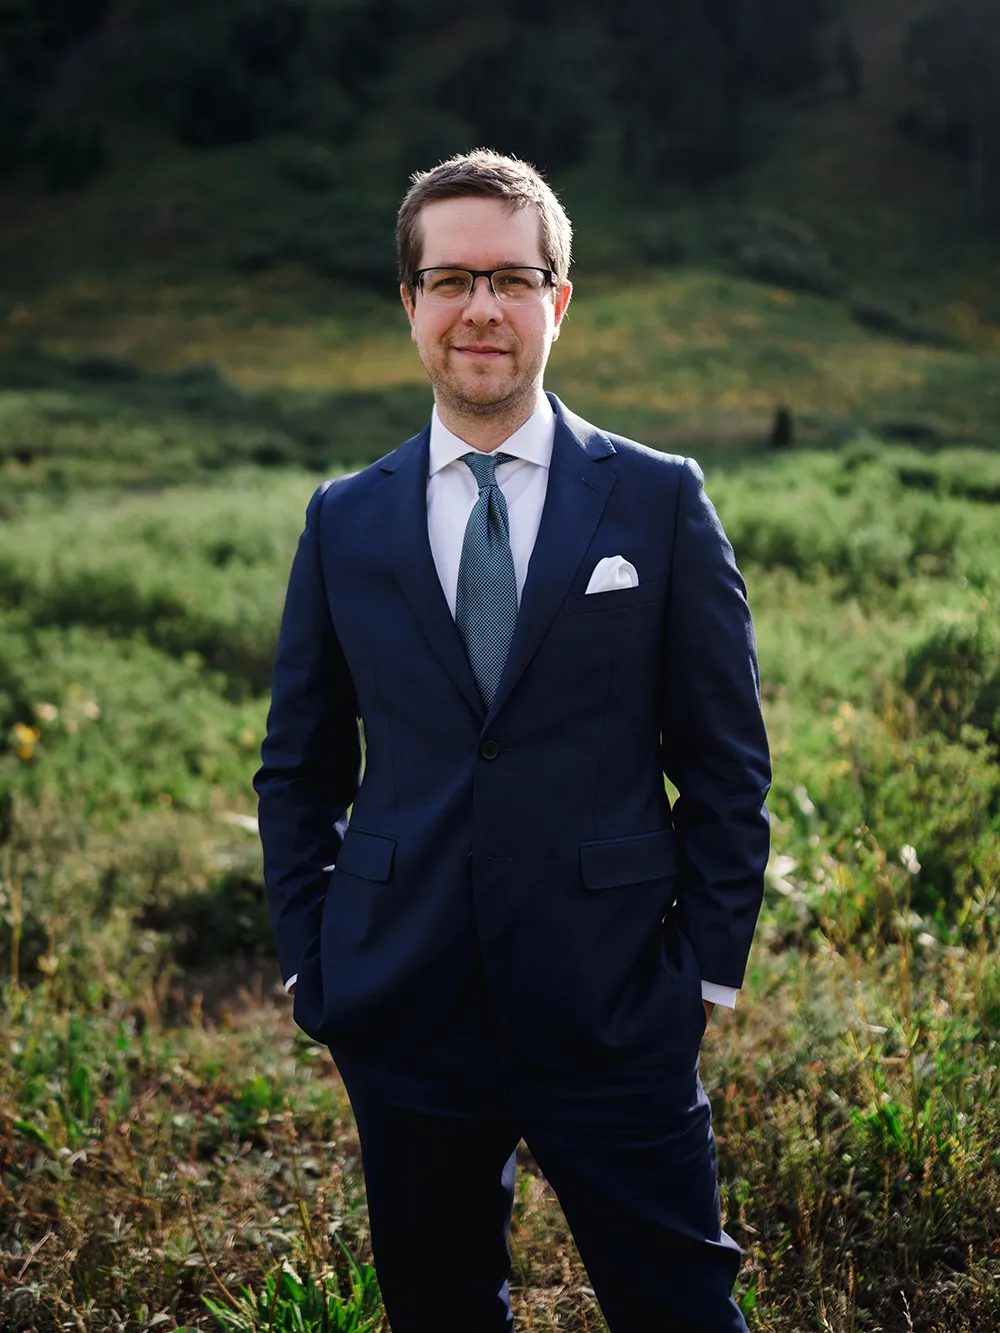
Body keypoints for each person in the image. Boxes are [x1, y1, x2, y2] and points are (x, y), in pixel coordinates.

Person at [254, 149, 771, 1333]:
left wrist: (701, 974)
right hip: (401, 1006)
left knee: (684, 1308)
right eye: (450, 280)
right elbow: (299, 766)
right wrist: (312, 966)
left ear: (558, 301)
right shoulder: (346, 517)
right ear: (411, 305)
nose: (480, 308)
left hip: (614, 1002)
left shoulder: (656, 499)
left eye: (511, 277)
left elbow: (727, 761)